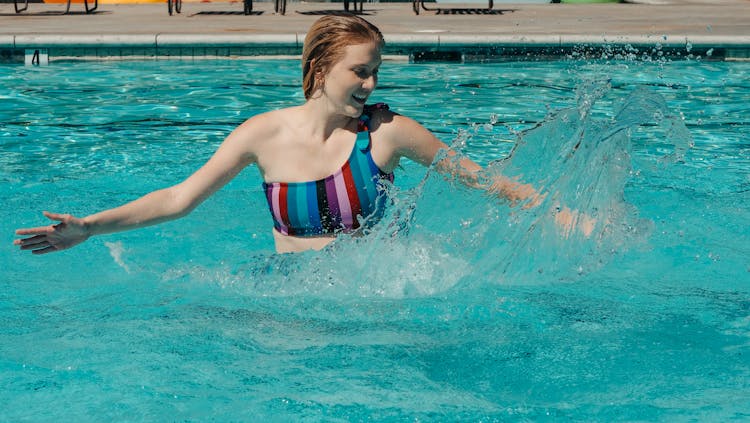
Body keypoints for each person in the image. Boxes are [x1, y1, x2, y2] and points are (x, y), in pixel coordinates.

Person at [14, 14, 549, 256]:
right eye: (359, 71)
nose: (371, 82)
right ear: (319, 69)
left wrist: (558, 212)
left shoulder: (386, 133)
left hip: (377, 302)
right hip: (289, 299)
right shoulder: (262, 134)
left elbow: (481, 180)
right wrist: (89, 227)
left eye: (375, 70)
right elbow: (179, 198)